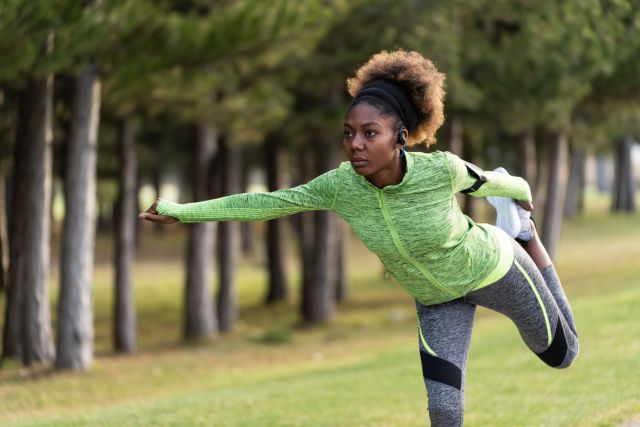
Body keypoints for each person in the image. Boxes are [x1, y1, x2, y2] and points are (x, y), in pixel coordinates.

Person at [139, 50, 579, 426]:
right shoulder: (339, 186)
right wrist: (182, 211)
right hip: (435, 299)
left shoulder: (440, 170)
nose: (356, 145)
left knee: (563, 356)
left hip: (493, 267)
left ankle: (528, 240)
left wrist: (522, 203)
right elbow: (265, 202)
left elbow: (501, 184)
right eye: (349, 134)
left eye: (371, 134)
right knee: (444, 412)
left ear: (400, 138)